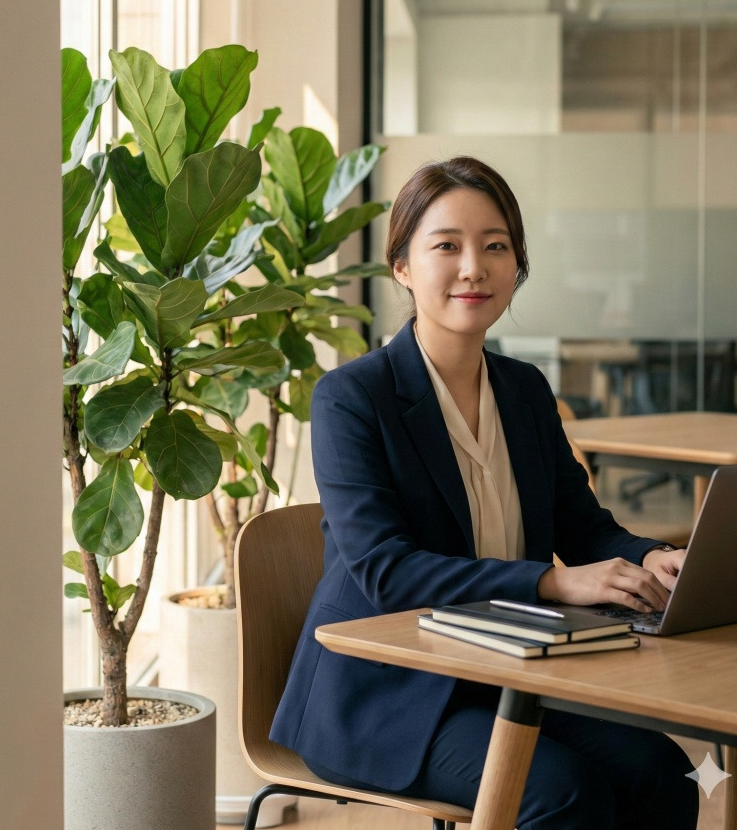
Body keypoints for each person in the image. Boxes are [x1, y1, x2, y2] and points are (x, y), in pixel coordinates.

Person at [270, 157, 698, 829]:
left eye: (495, 247)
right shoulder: (352, 398)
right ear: (403, 267)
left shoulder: (524, 390)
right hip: (387, 694)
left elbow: (582, 527)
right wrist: (554, 586)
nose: (474, 267)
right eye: (447, 246)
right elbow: (385, 571)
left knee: (664, 774)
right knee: (564, 793)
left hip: (509, 667)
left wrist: (648, 558)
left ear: (516, 266)